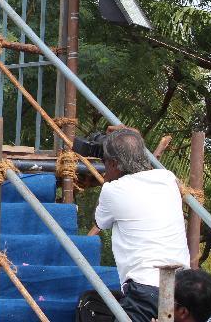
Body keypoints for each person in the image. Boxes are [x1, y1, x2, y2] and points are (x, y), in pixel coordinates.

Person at [76, 128, 190, 322]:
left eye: (105, 162)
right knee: (94, 303)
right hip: (181, 289)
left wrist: (107, 180)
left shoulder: (113, 190)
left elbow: (99, 221)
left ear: (113, 163)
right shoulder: (168, 178)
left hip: (146, 291)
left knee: (87, 307)